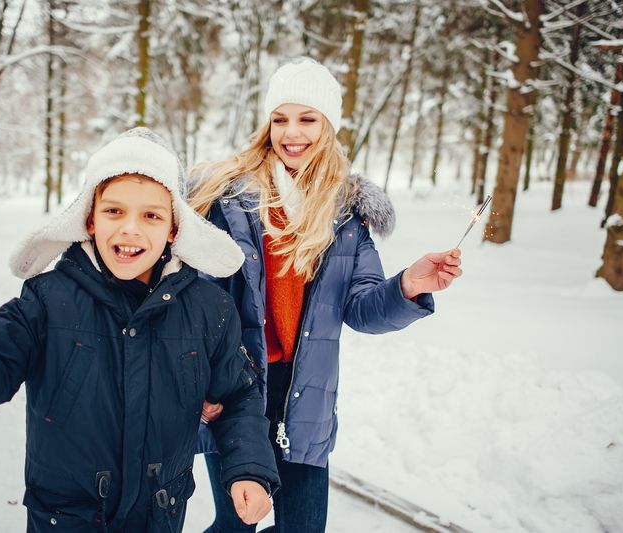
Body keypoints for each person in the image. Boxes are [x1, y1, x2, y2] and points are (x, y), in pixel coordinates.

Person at [0, 127, 280, 533]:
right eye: (114, 211)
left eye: (151, 215)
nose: (131, 229)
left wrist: (248, 470)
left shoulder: (208, 310)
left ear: (174, 228)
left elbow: (238, 396)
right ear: (90, 219)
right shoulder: (46, 301)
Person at [188, 58, 463, 533]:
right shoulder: (229, 201)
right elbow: (197, 302)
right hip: (235, 392)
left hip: (306, 397)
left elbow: (361, 307)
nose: (291, 133)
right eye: (280, 119)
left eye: (307, 119)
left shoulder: (347, 214)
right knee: (235, 526)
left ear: (329, 126)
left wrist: (408, 287)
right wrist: (199, 383)